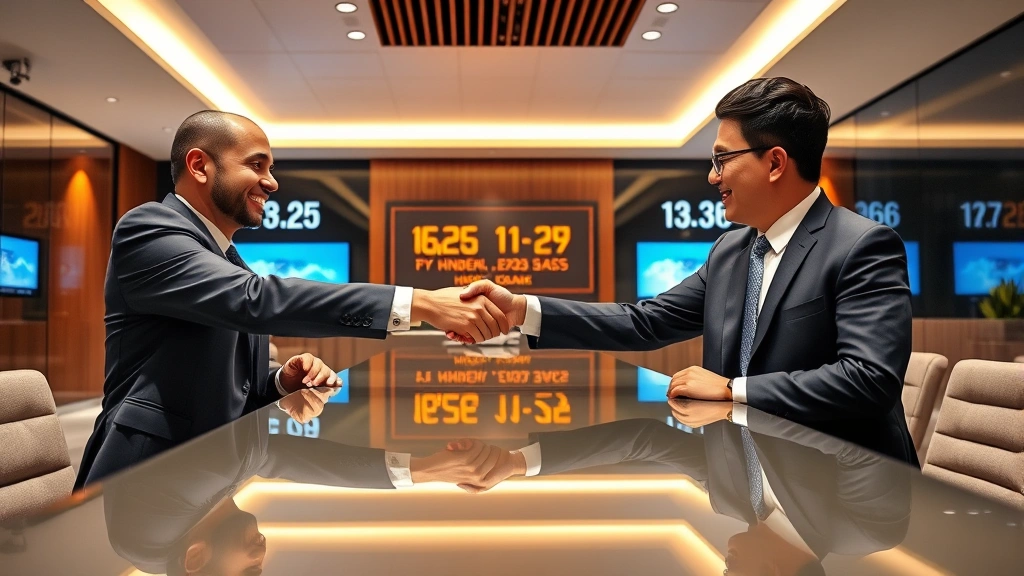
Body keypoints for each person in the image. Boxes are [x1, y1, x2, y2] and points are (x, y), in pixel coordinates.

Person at [453, 77, 917, 464]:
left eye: (722, 159)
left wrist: (734, 390)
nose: (713, 177)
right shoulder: (732, 252)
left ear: (775, 162)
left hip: (846, 497)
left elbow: (867, 379)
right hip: (746, 463)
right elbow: (645, 322)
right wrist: (520, 311)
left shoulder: (862, 245)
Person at [76, 110, 512, 489]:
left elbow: (228, 391)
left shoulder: (227, 258)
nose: (272, 181)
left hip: (215, 474)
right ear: (200, 165)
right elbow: (254, 300)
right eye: (256, 164)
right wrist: (424, 304)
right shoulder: (148, 229)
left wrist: (280, 382)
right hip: (141, 490)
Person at [448, 404, 911, 573]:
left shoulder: (734, 499)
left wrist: (516, 464)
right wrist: (738, 401)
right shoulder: (871, 530)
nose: (723, 568)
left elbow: (646, 441)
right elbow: (863, 443)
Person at [102, 389, 517, 575]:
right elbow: (267, 455)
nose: (261, 555)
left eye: (248, 572)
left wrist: (426, 470)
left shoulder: (153, 524)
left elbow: (261, 453)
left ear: (195, 559)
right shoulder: (167, 546)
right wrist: (423, 470)